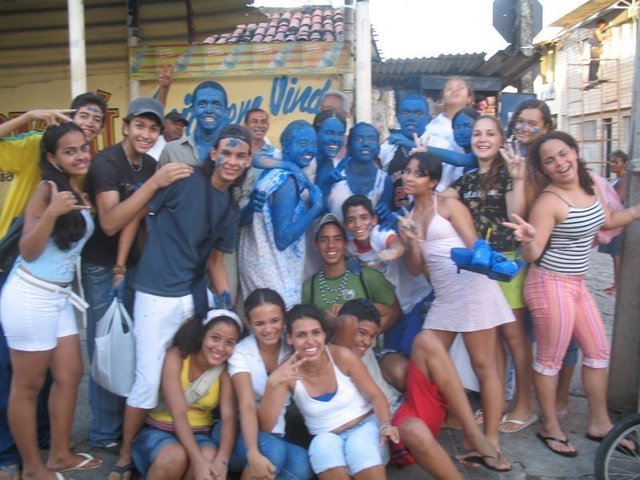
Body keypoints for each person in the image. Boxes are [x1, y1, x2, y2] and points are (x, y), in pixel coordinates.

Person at [109, 125, 252, 480]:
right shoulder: (184, 180)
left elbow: (216, 262)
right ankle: (125, 455)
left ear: (249, 160)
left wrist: (226, 309)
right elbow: (135, 215)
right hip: (156, 293)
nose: (232, 161)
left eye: (241, 155)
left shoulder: (230, 205)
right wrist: (121, 265)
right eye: (226, 153)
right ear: (213, 153)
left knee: (200, 366)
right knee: (147, 380)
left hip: (194, 296)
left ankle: (190, 439)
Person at [504, 131, 640, 457]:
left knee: (598, 352)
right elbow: (533, 253)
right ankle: (550, 426)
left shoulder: (590, 184)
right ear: (544, 168)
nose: (560, 163)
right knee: (550, 360)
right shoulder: (549, 201)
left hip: (576, 284)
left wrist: (636, 211)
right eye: (550, 160)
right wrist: (527, 239)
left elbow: (607, 220)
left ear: (575, 152)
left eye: (564, 154)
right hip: (549, 284)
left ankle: (601, 423)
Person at [0, 93, 108, 478]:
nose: (80, 155)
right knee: (27, 385)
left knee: (70, 373)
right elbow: (29, 250)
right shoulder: (47, 190)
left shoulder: (77, 187)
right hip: (30, 295)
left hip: (60, 296)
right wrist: (51, 214)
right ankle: (32, 466)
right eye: (69, 151)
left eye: (83, 148)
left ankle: (60, 454)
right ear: (53, 158)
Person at [81, 98, 193, 456]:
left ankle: (126, 422)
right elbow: (111, 222)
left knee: (132, 345)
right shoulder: (107, 163)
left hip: (133, 264)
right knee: (107, 345)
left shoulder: (147, 164)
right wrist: (154, 182)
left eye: (153, 128)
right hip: (101, 265)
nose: (146, 134)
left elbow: (143, 217)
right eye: (140, 126)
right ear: (126, 126)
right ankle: (103, 431)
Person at [398, 151, 514, 450]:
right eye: (407, 171)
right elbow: (414, 268)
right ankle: (449, 417)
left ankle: (491, 439)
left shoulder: (449, 205)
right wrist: (410, 242)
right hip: (445, 297)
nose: (409, 177)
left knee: (483, 365)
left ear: (433, 181)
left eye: (418, 173)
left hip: (473, 289)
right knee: (425, 354)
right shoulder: (408, 218)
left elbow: (477, 246)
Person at [333, 300, 511, 477]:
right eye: (361, 333)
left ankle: (473, 435)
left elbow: (390, 310)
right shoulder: (334, 353)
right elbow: (345, 325)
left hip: (405, 407)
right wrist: (332, 317)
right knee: (414, 429)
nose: (366, 342)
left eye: (372, 336)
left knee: (426, 340)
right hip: (387, 430)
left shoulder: (364, 345)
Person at [443, 115, 535, 433]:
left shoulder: (509, 173)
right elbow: (443, 201)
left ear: (501, 140)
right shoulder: (466, 180)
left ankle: (524, 404)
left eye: (490, 134)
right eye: (477, 134)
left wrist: (518, 180)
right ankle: (499, 402)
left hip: (506, 262)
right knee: (492, 337)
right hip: (479, 265)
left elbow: (516, 215)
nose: (482, 139)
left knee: (514, 337)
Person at [259, 304, 399, 479]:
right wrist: (273, 383)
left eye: (316, 333)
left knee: (360, 448)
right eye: (301, 335)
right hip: (326, 436)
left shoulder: (341, 356)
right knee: (322, 449)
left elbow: (376, 396)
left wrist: (385, 425)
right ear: (289, 339)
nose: (310, 341)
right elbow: (267, 426)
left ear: (324, 334)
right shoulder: (287, 371)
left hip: (364, 427)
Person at [131, 309, 242, 479]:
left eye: (230, 342)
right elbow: (178, 412)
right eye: (215, 338)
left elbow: (228, 417)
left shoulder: (225, 371)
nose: (221, 348)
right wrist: (197, 461)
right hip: (159, 430)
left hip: (200, 434)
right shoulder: (177, 356)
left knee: (209, 456)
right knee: (175, 456)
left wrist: (223, 459)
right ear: (202, 335)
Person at [341, 195, 432, 389]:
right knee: (394, 357)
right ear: (346, 225)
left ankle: (432, 398)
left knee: (413, 350)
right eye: (352, 220)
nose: (358, 224)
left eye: (364, 218)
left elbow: (396, 243)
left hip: (418, 299)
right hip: (397, 310)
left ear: (374, 219)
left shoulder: (378, 235)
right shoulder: (350, 248)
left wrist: (392, 253)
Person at [224, 289, 313, 479]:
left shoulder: (291, 348)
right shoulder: (241, 353)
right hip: (239, 432)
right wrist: (252, 451)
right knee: (273, 451)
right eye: (260, 323)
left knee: (302, 463)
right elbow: (247, 405)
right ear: (248, 323)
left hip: (274, 432)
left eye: (275, 321)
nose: (269, 329)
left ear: (284, 319)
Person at [239, 120, 323, 308]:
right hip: (273, 273)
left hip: (259, 265)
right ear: (285, 146)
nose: (309, 149)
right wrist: (315, 209)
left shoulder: (275, 170)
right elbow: (283, 239)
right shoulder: (287, 180)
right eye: (302, 143)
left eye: (313, 144)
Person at [302, 213, 400, 335]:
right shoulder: (309, 287)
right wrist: (326, 324)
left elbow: (394, 310)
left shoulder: (366, 276)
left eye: (337, 239)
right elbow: (304, 327)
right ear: (315, 244)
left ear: (345, 243)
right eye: (324, 240)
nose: (331, 245)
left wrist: (368, 337)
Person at [326, 123, 393, 222]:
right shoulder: (333, 170)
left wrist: (386, 212)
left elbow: (383, 215)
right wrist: (327, 184)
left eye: (371, 140)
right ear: (349, 146)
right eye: (359, 139)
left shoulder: (384, 180)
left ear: (378, 148)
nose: (365, 143)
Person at [424, 77, 475, 190]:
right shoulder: (431, 128)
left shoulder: (479, 124)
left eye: (460, 87)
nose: (454, 90)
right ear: (443, 100)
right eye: (449, 88)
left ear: (469, 98)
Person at [598, 150, 630, 296]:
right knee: (615, 256)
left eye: (616, 162)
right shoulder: (618, 179)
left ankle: (618, 286)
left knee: (617, 256)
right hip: (615, 219)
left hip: (618, 221)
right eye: (611, 161)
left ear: (624, 164)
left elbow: (619, 200)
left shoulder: (625, 179)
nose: (612, 164)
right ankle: (616, 283)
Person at [312, 109, 347, 200]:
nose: (335, 139)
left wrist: (326, 185)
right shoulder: (304, 160)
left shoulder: (328, 165)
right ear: (315, 133)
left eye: (340, 134)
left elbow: (319, 205)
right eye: (329, 133)